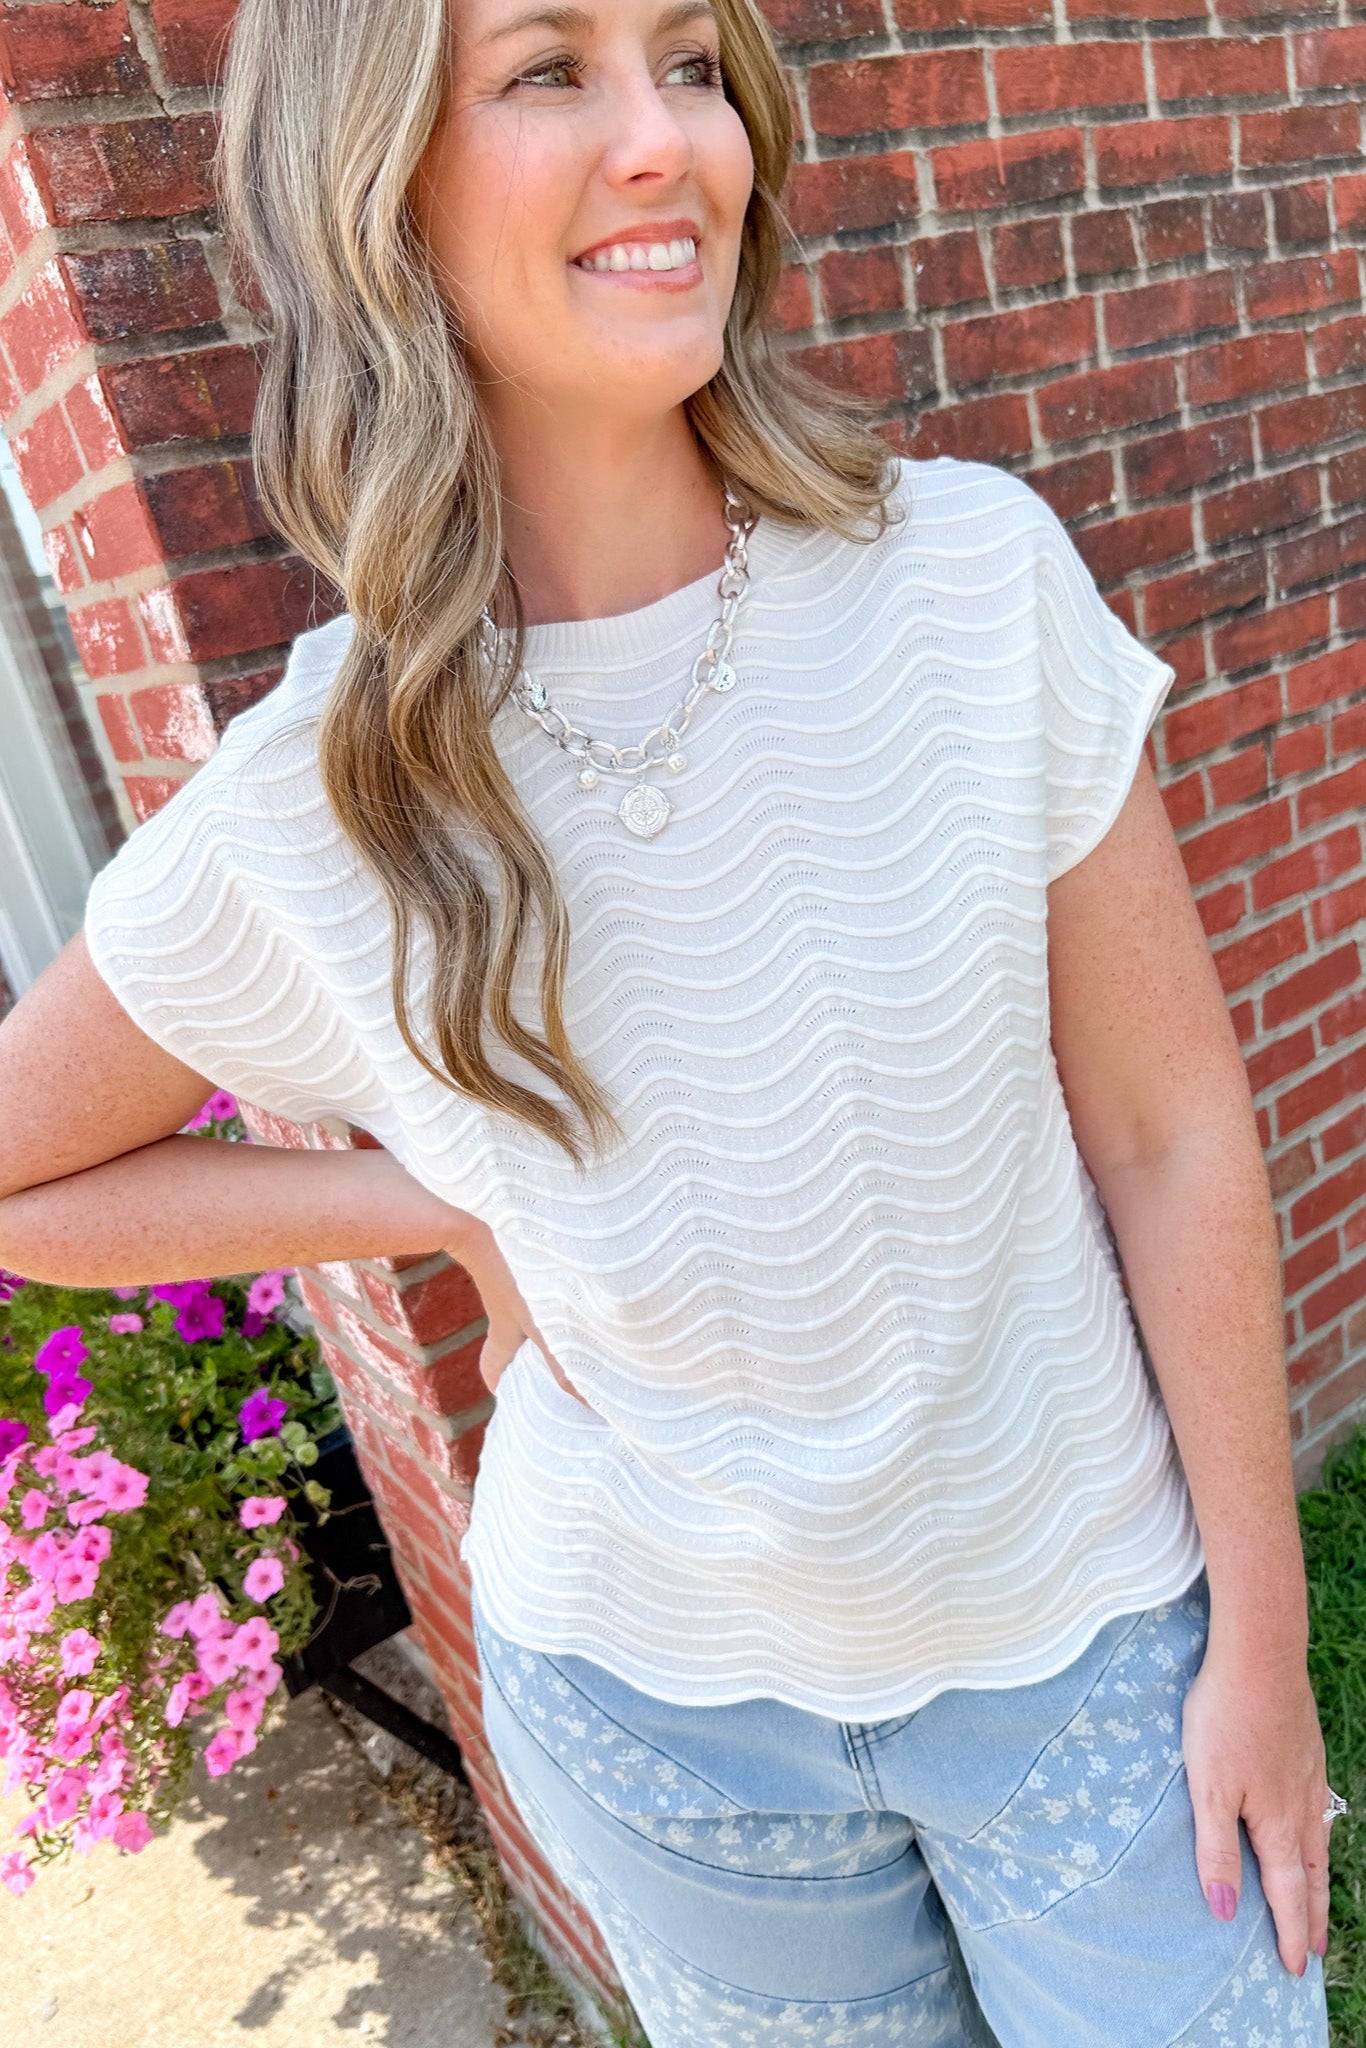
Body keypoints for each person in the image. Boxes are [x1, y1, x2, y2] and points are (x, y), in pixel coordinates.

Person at [0, 0, 1344, 2039]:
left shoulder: (968, 584)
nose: (665, 143)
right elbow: (26, 1174)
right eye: (551, 72)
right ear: (380, 188)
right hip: (662, 1722)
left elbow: (1165, 1132)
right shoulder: (314, 794)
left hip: (1081, 1645)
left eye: (695, 65)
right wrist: (440, 1202)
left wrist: (1261, 1631)